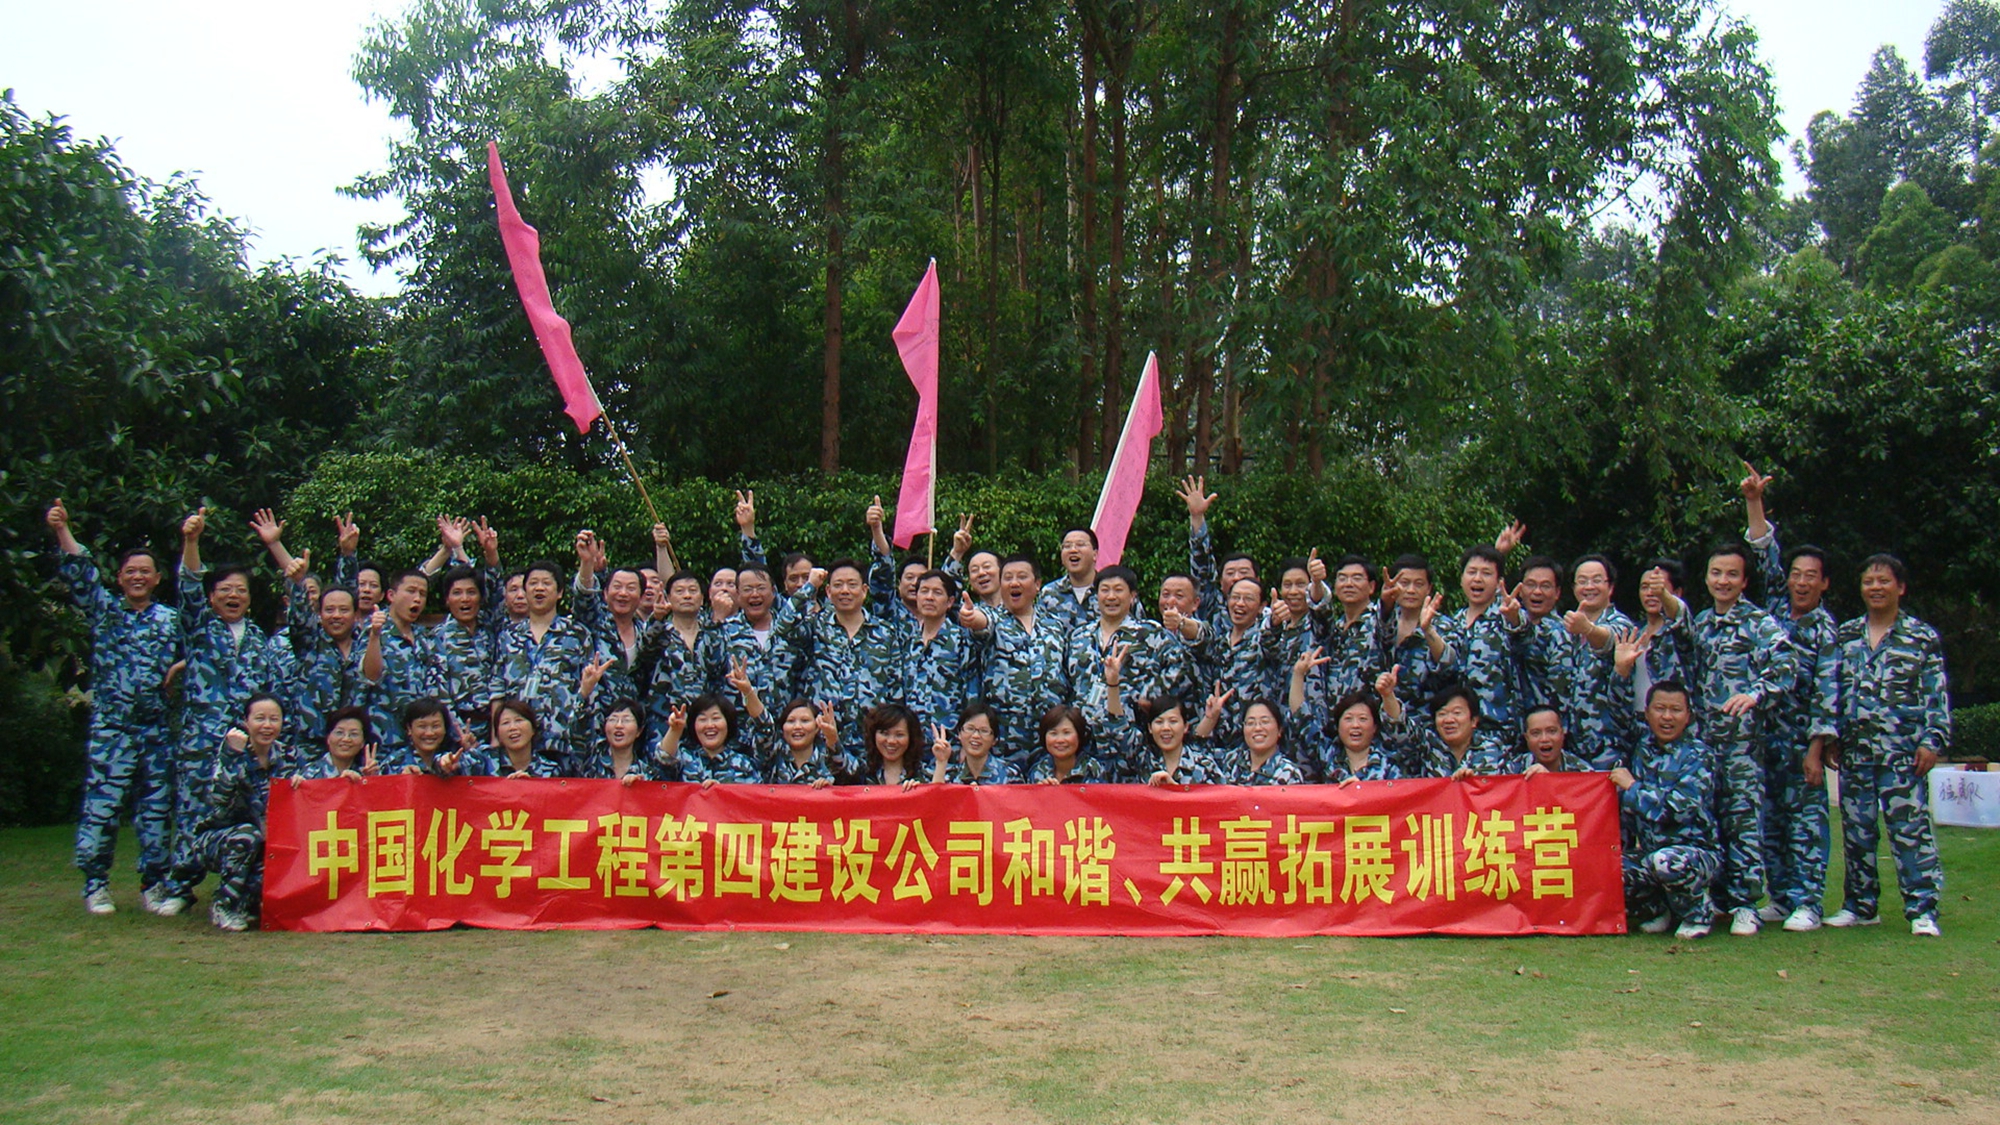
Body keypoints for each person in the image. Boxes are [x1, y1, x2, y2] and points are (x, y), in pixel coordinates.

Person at [48, 499, 182, 916]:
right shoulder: (106, 612)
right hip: (113, 728)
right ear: (120, 578)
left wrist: (180, 666)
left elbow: (199, 651)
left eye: (145, 571)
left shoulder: (171, 620)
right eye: (130, 571)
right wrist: (62, 529)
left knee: (156, 811)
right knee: (102, 808)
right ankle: (96, 884)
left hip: (155, 728)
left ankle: (155, 884)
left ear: (157, 578)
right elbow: (81, 573)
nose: (137, 577)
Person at [1660, 539, 1796, 936]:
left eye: (1732, 574)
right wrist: (1665, 598)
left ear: (1744, 581)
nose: (1723, 581)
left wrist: (1756, 693)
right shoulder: (1703, 622)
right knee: (1707, 820)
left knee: (1742, 822)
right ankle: (1713, 898)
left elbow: (1786, 663)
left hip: (1741, 745)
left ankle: (1745, 904)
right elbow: (1682, 638)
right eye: (1716, 573)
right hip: (1702, 744)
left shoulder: (1758, 623)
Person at [1811, 554, 1949, 937]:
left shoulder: (1921, 637)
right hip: (1856, 754)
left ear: (1900, 588)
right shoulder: (1847, 636)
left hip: (1903, 754)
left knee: (1910, 832)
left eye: (1883, 581)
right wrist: (1831, 738)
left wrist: (1932, 741)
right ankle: (1860, 905)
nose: (1875, 588)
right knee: (1857, 832)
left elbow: (1936, 695)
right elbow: (1832, 691)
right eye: (1869, 581)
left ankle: (1922, 909)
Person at [1741, 463, 1839, 932]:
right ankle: (1780, 896)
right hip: (1765, 737)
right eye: (1796, 574)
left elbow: (1827, 691)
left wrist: (1817, 748)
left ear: (1824, 583)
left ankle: (1809, 902)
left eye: (1810, 577)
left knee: (1806, 821)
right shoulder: (1776, 609)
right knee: (1771, 819)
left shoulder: (1825, 629)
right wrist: (1754, 502)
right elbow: (1765, 553)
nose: (1800, 582)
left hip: (1802, 740)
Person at [165, 507, 273, 912]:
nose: (233, 596)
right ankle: (180, 887)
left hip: (245, 749)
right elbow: (189, 587)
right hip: (202, 744)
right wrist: (191, 541)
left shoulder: (260, 639)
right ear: (212, 597)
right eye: (225, 590)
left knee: (247, 817)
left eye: (241, 590)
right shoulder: (199, 628)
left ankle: (240, 888)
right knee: (193, 811)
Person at [1612, 679, 1721, 940]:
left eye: (1676, 710)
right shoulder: (1642, 747)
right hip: (1651, 854)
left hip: (1695, 855)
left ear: (1688, 716)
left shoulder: (1699, 755)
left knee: (1666, 862)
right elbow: (1615, 711)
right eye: (1660, 709)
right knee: (1608, 869)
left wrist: (1632, 788)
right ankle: (1661, 909)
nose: (1667, 717)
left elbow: (1677, 810)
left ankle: (1698, 913)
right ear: (1647, 713)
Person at [1060, 566, 1189, 775]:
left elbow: (1181, 668)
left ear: (1132, 596)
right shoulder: (1079, 636)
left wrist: (1149, 697)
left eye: (1118, 590)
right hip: (1085, 743)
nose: (1111, 596)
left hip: (1131, 742)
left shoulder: (1149, 633)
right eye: (1105, 590)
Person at [489, 558, 605, 771]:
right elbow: (497, 688)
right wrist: (496, 736)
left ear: (559, 592)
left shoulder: (577, 634)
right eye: (533, 583)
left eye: (546, 583)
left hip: (563, 739)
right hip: (518, 743)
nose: (539, 588)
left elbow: (589, 689)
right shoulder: (508, 637)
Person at [195, 693, 291, 932]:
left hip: (265, 839)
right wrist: (233, 756)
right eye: (260, 718)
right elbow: (218, 800)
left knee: (280, 853)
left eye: (274, 719)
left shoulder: (287, 756)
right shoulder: (231, 751)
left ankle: (246, 904)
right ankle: (223, 905)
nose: (267, 725)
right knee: (248, 835)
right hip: (219, 838)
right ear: (246, 722)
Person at [1434, 542, 1524, 733]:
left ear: (1499, 582)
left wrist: (1514, 619)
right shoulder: (1453, 622)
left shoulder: (1507, 615)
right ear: (1461, 579)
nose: (1477, 579)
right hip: (1458, 729)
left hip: (1498, 728)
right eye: (1472, 572)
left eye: (1486, 573)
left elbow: (1523, 636)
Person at [360, 569, 445, 759]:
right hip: (384, 740)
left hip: (421, 740)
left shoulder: (425, 637)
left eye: (422, 594)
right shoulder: (375, 629)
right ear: (391, 595)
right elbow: (370, 676)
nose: (417, 599)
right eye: (411, 591)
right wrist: (375, 636)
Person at [899, 570, 982, 731]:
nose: (929, 597)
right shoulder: (909, 643)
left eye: (937, 592)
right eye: (924, 591)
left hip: (950, 737)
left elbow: (972, 695)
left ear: (950, 602)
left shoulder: (961, 641)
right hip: (913, 739)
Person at [1382, 677, 1513, 779]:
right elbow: (1400, 727)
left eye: (1457, 713)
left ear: (1474, 721)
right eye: (1442, 714)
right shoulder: (1427, 746)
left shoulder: (1493, 748)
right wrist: (1388, 695)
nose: (1449, 720)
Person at [1376, 555, 1449, 713]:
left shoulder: (1444, 625)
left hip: (1425, 718)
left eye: (1419, 584)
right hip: (1381, 716)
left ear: (1429, 588)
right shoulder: (1379, 620)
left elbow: (1449, 667)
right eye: (1404, 583)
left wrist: (1427, 630)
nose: (1411, 590)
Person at [657, 687, 765, 786]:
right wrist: (674, 730)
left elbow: (755, 798)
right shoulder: (684, 760)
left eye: (716, 718)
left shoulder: (744, 765)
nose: (709, 725)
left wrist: (719, 793)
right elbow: (662, 764)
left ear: (728, 723)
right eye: (702, 719)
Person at [1205, 698, 1306, 786]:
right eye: (1250, 723)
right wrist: (1210, 719)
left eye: (1265, 721)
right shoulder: (1231, 760)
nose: (1257, 728)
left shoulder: (1288, 773)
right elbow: (1198, 755)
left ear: (1279, 730)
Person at [570, 698, 661, 784]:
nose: (618, 725)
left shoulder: (645, 773)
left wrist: (639, 787)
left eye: (626, 720)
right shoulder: (591, 759)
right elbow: (578, 733)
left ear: (639, 731)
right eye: (613, 719)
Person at [763, 698, 846, 786]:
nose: (797, 726)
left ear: (817, 727)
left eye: (805, 720)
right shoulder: (772, 756)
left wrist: (829, 789)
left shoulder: (830, 758)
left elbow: (850, 777)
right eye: (791, 721)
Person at [1022, 705, 1106, 784]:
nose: (1060, 740)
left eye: (1067, 733)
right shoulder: (1038, 770)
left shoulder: (1092, 769)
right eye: (1053, 733)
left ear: (1079, 735)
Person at [930, 703, 1010, 784]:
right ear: (959, 733)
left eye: (984, 731)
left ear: (994, 740)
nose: (976, 736)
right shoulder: (951, 775)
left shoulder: (1010, 774)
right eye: (970, 729)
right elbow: (937, 792)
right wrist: (941, 762)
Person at [293, 707, 379, 779]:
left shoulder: (365, 774)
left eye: (354, 734)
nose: (346, 739)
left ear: (362, 742)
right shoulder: (309, 774)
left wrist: (370, 780)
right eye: (339, 732)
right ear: (328, 738)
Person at [855, 704, 928, 787]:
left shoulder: (922, 773)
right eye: (885, 733)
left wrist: (918, 790)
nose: (891, 741)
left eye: (899, 735)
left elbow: (935, 791)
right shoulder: (861, 771)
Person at [1518, 705, 1597, 776]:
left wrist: (1548, 780)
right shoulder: (1514, 769)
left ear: (1562, 734)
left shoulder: (1583, 772)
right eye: (1536, 733)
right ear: (1527, 738)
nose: (1544, 739)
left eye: (1551, 731)